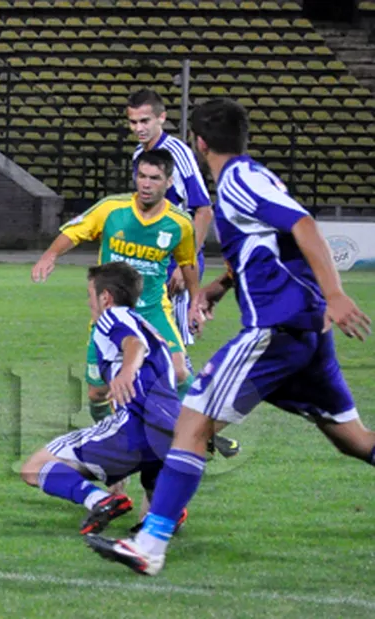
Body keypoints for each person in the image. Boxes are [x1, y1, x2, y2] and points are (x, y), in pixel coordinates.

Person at [86, 98, 373, 576]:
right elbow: (272, 245)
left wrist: (336, 293)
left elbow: (303, 226)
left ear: (198, 145)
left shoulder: (239, 179)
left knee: (191, 426)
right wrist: (219, 287)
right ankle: (152, 537)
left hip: (275, 331)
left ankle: (150, 544)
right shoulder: (252, 177)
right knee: (352, 439)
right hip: (304, 336)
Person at [32, 149, 203, 421]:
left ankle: (196, 428)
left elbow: (188, 263)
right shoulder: (112, 208)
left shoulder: (180, 223)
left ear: (169, 182)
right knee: (97, 393)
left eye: (155, 178)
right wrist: (50, 254)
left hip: (152, 310)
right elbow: (75, 231)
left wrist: (196, 302)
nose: (146, 184)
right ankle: (108, 431)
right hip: (109, 313)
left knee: (179, 370)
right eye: (142, 176)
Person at [20, 262, 187, 536]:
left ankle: (101, 500)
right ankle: (166, 511)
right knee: (151, 509)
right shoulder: (151, 328)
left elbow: (134, 344)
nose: (89, 303)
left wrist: (126, 372)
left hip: (136, 428)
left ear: (105, 297)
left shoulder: (113, 317)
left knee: (33, 468)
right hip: (172, 434)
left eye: (90, 295)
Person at [127, 89, 214, 356]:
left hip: (177, 262)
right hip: (150, 261)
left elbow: (203, 210)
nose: (139, 128)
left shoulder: (178, 153)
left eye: (145, 121)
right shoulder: (137, 157)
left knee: (174, 342)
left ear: (161, 118)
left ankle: (187, 396)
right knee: (147, 341)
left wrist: (185, 264)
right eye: (133, 122)